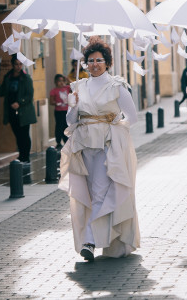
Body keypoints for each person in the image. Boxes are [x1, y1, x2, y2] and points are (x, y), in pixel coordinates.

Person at [58, 37, 140, 261]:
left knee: (102, 192)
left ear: (107, 62)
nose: (94, 64)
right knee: (91, 194)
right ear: (85, 63)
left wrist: (115, 131)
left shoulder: (117, 86)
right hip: (83, 146)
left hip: (107, 146)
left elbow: (132, 117)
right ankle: (97, 237)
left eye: (99, 60)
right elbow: (70, 121)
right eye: (90, 60)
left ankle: (90, 241)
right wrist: (72, 106)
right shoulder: (78, 87)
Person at [0, 55, 37, 163]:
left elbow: (29, 95)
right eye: (16, 64)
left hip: (24, 111)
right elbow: (2, 92)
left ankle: (25, 157)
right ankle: (21, 155)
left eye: (20, 64)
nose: (18, 67)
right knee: (17, 135)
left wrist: (19, 103)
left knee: (24, 135)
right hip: (11, 111)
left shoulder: (26, 78)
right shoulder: (8, 77)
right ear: (12, 65)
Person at [49, 74, 71, 149]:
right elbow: (51, 102)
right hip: (58, 111)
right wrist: (56, 103)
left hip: (66, 111)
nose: (61, 83)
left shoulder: (67, 88)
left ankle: (66, 141)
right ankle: (58, 141)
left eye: (62, 81)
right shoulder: (54, 91)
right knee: (59, 126)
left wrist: (68, 80)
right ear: (55, 82)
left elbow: (75, 87)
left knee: (66, 126)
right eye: (59, 81)